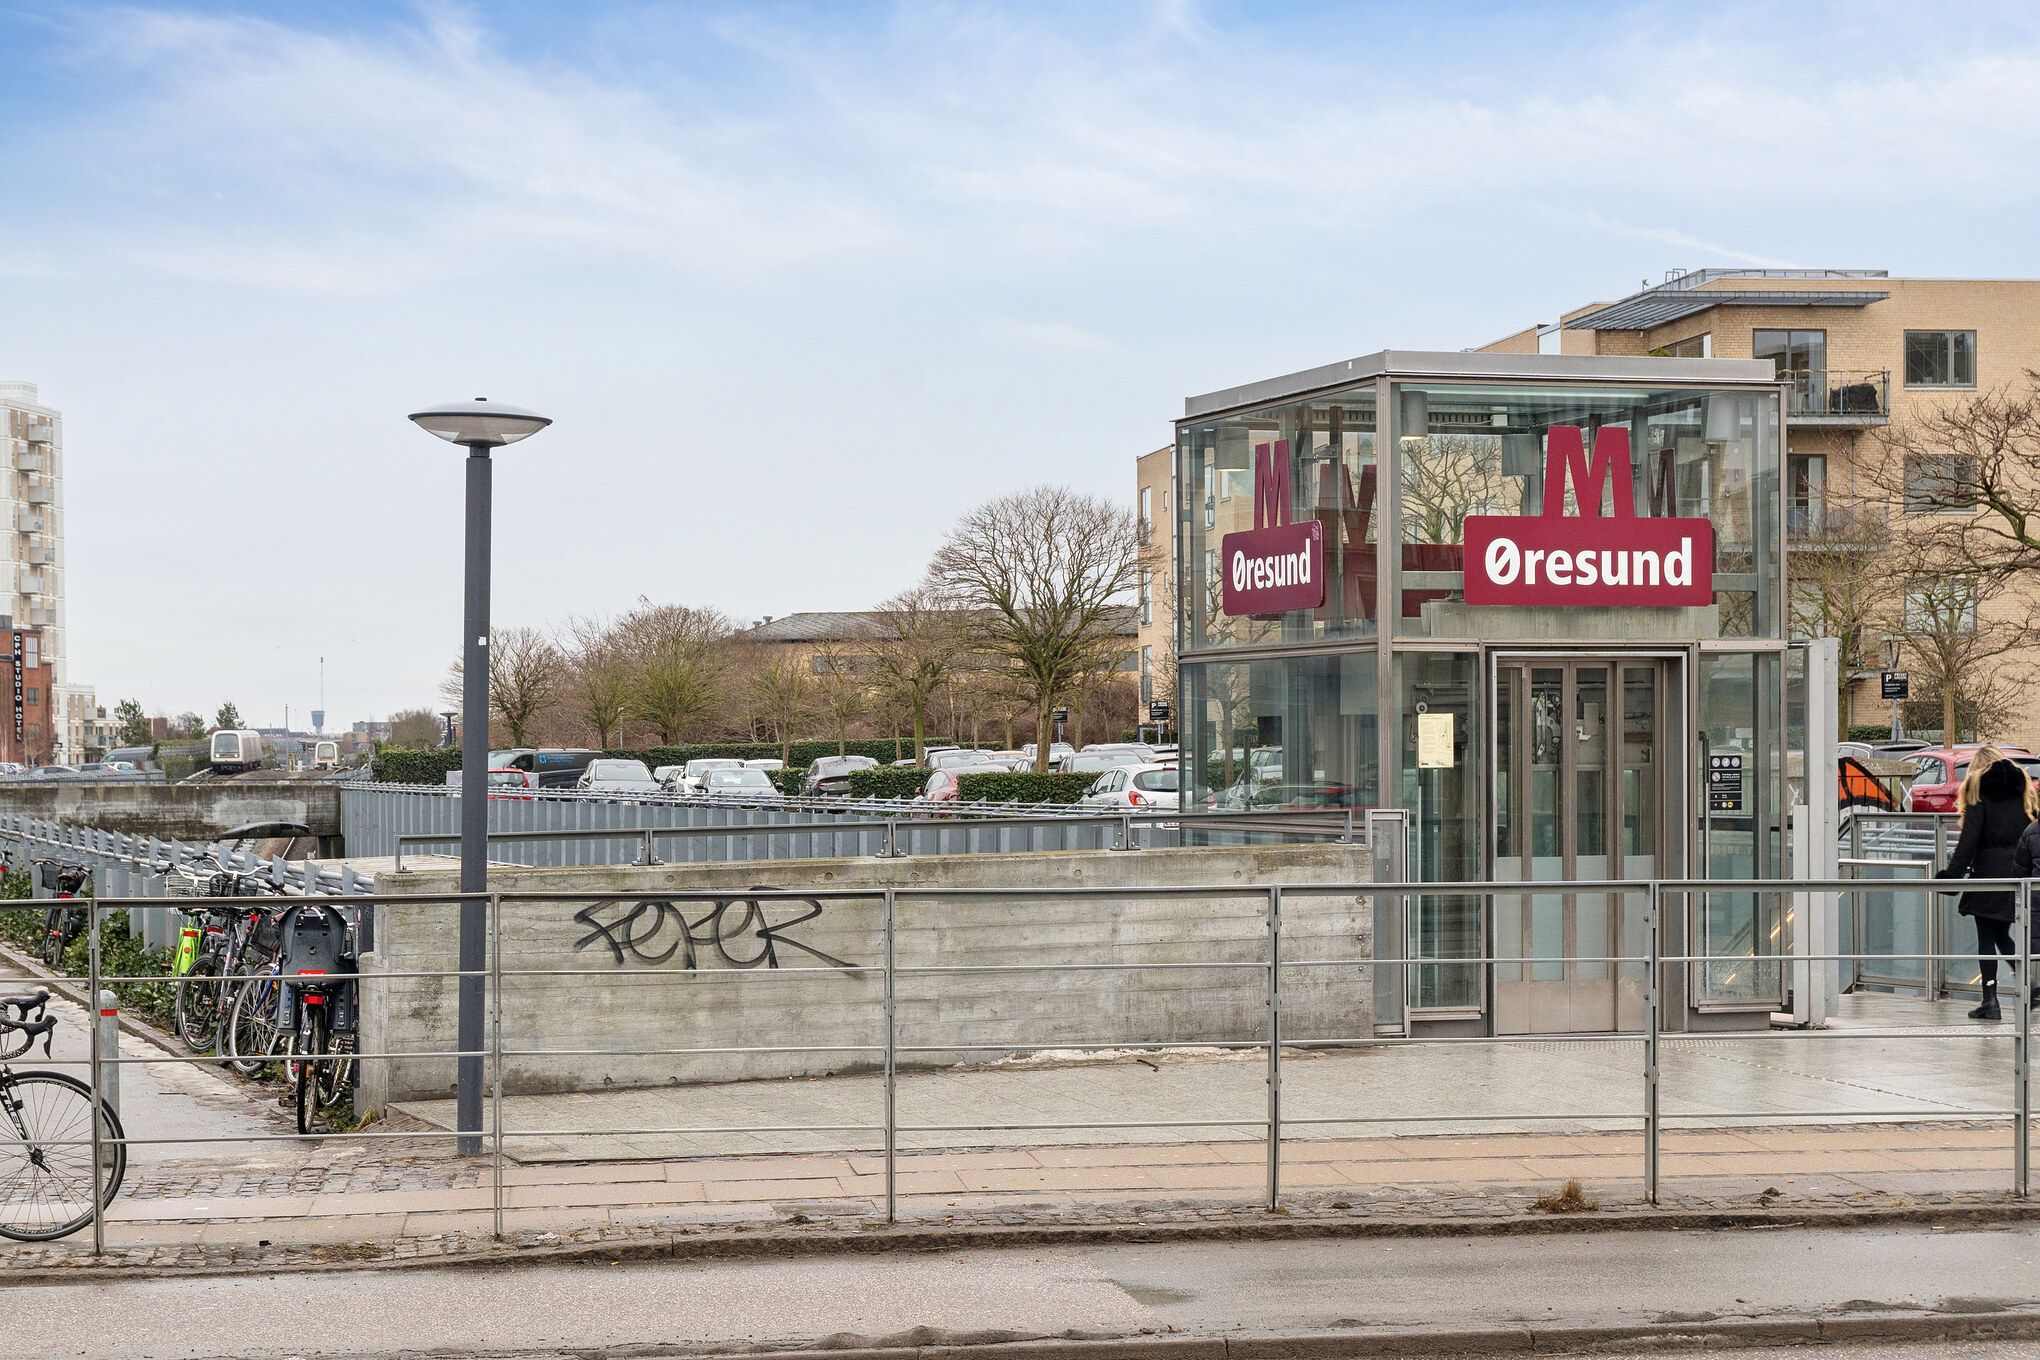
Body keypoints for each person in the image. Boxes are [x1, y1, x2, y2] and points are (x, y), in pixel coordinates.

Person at [1944, 749, 2036, 1020]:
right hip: (2018, 875)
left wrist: (1952, 877)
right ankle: (2030, 983)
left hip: (1988, 876)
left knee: (1987, 935)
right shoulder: (2022, 787)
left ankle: (1990, 999)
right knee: (2002, 934)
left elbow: (1968, 841)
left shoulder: (1978, 787)